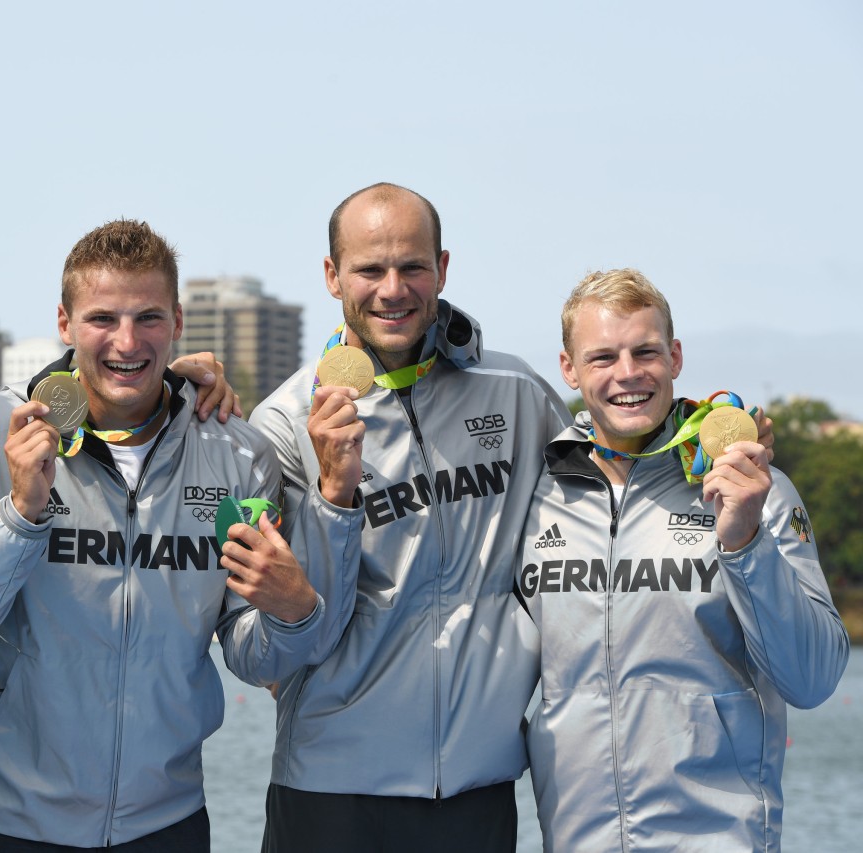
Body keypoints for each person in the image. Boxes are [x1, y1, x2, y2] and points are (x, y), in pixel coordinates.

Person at [0, 218, 360, 852]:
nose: (127, 341)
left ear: (177, 320)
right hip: (5, 819)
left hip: (165, 821)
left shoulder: (238, 452)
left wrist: (293, 612)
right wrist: (19, 514)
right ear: (65, 324)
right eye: (102, 318)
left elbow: (251, 656)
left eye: (148, 317)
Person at [249, 182, 570, 852]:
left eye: (412, 267)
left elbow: (609, 494)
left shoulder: (517, 394)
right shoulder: (281, 422)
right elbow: (270, 645)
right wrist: (335, 497)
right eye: (370, 269)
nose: (393, 289)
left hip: (478, 790)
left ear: (442, 268)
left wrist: (711, 443)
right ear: (333, 275)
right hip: (331, 794)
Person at [517, 268, 849, 851]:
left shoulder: (753, 489)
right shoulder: (535, 497)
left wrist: (744, 541)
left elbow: (815, 678)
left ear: (674, 356)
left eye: (645, 351)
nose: (627, 374)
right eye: (602, 357)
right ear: (569, 368)